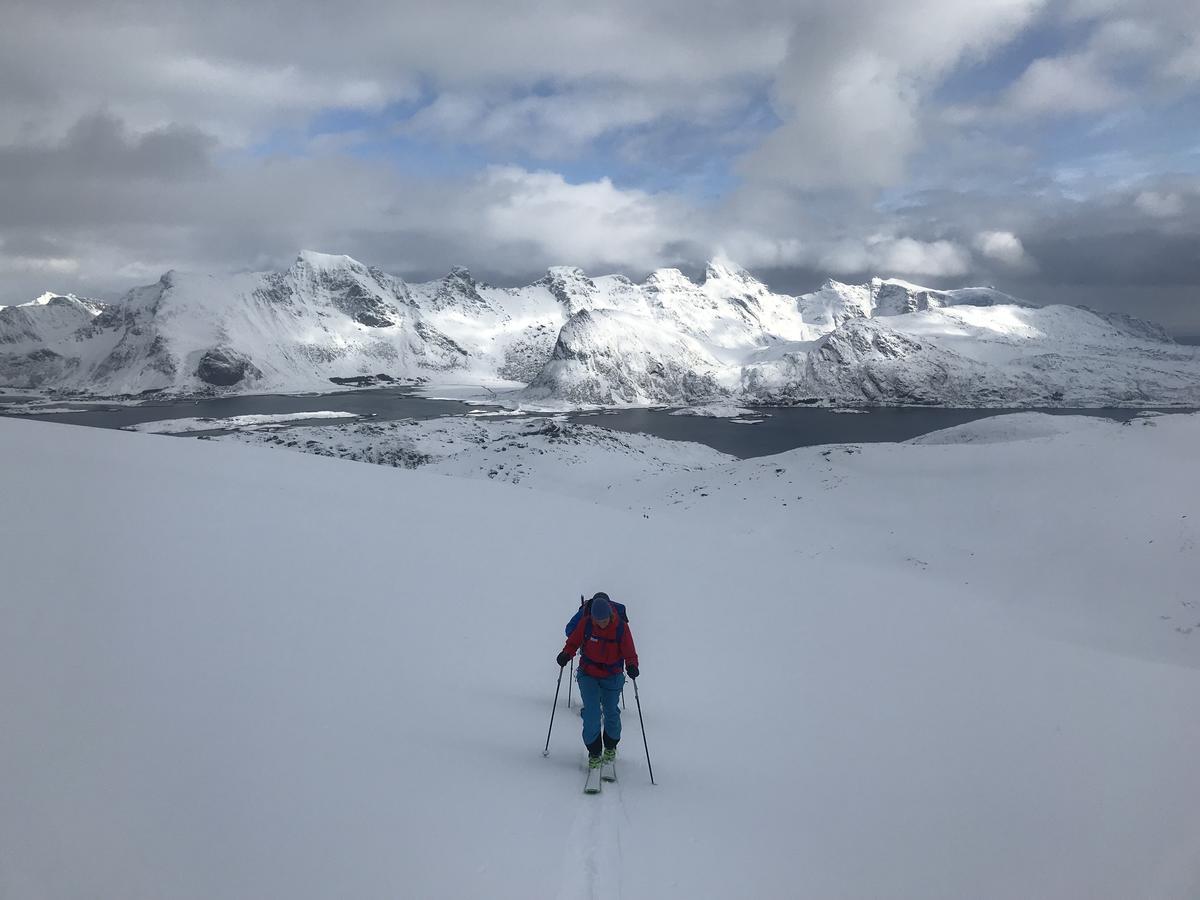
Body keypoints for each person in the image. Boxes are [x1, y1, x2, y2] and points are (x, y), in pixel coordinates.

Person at [556, 592, 639, 769]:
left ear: (610, 615)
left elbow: (629, 651)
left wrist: (632, 665)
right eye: (597, 620)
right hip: (589, 674)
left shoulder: (621, 628)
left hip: (612, 675)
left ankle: (610, 747)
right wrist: (565, 654)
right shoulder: (586, 624)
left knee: (611, 713)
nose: (600, 624)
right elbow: (573, 642)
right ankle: (594, 753)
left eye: (603, 620)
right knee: (592, 714)